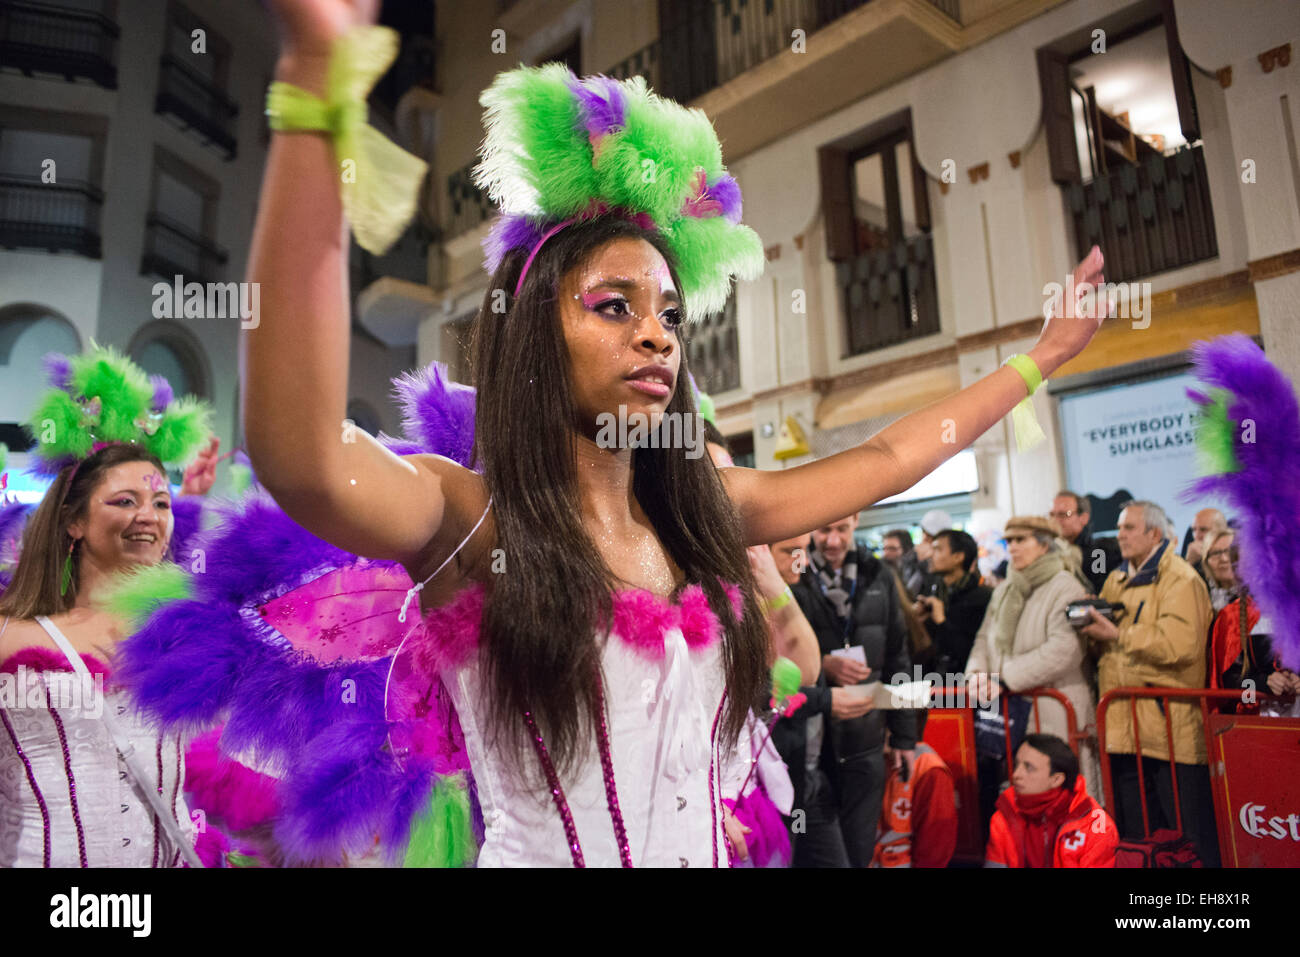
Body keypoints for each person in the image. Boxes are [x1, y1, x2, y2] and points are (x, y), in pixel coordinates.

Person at [242, 0, 1109, 866]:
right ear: (534, 333)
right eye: (614, 307)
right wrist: (315, 88)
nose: (657, 334)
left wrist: (1038, 361)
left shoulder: (699, 512)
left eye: (668, 312)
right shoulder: (469, 518)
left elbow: (886, 458)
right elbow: (304, 454)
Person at [0, 348, 215, 867]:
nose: (149, 516)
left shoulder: (188, 634)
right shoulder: (11, 635)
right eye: (125, 501)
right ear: (73, 522)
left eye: (161, 503)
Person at [1082, 500, 1220, 866]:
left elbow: (1181, 645)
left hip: (1171, 730)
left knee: (1188, 838)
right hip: (1126, 729)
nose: (1120, 536)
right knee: (1139, 838)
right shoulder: (1115, 578)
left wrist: (1118, 633)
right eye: (1119, 528)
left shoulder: (1182, 578)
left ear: (1155, 534)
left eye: (1129, 528)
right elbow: (1109, 645)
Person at [797, 513, 917, 867]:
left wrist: (905, 735)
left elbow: (898, 654)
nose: (832, 540)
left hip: (865, 739)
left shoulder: (878, 573)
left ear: (855, 522)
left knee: (859, 849)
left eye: (841, 529)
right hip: (813, 745)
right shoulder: (793, 572)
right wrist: (823, 664)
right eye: (823, 529)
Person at [966, 516, 1098, 800]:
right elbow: (982, 638)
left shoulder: (1066, 586)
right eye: (1009, 541)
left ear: (1043, 545)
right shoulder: (1004, 589)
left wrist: (1006, 678)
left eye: (1021, 540)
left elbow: (1066, 649)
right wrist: (977, 674)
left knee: (1063, 793)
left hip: (1056, 707)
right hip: (1012, 709)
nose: (1012, 547)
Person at [984, 733, 1117, 868]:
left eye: (1029, 768)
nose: (1016, 774)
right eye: (1017, 764)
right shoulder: (1005, 816)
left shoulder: (1096, 826)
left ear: (1056, 779)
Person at [914, 528, 991, 678]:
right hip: (933, 684)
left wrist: (942, 620)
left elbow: (970, 650)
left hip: (968, 687)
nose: (930, 555)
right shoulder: (931, 593)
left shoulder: (981, 598)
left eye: (937, 549)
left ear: (958, 557)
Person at [1050, 490, 1120, 595]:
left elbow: (1100, 592)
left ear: (1084, 518)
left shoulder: (1099, 551)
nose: (1055, 520)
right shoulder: (1049, 551)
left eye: (1063, 514)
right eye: (1052, 514)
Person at [1201, 528, 1240, 614]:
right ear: (1206, 561)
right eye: (1216, 553)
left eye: (1230, 551)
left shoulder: (1258, 598)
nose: (1224, 559)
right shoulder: (1202, 599)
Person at [1181, 507, 1227, 579]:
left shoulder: (1230, 559)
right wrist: (1189, 562)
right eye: (1194, 530)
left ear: (1221, 531)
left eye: (1203, 530)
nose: (1196, 536)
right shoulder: (1194, 557)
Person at [882, 529, 926, 597]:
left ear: (907, 549)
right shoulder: (888, 568)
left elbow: (909, 596)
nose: (886, 554)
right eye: (884, 549)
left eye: (892, 548)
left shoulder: (918, 568)